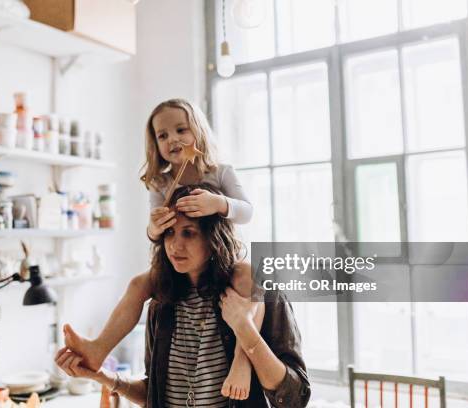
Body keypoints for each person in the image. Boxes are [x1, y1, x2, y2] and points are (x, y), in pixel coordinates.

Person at [69, 99, 259, 399]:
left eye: (180, 130)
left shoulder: (220, 172)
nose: (172, 140)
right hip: (178, 266)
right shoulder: (161, 182)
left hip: (220, 261)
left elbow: (247, 211)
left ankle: (241, 361)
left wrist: (219, 203)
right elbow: (154, 232)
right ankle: (98, 348)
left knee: (252, 278)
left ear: (198, 132)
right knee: (137, 284)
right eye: (162, 135)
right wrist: (155, 227)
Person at [56, 185, 311, 408]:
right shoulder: (161, 305)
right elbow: (155, 393)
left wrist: (246, 332)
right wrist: (102, 376)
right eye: (169, 233)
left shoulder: (258, 295)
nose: (175, 246)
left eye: (188, 233)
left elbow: (295, 398)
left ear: (214, 239)